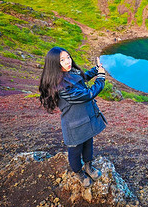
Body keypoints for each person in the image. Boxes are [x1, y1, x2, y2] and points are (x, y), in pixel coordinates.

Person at [39, 46, 107, 187]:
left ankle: (89, 166)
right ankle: (79, 173)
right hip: (74, 125)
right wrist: (100, 78)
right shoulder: (60, 86)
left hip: (86, 118)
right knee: (75, 151)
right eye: (62, 60)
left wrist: (95, 70)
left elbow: (81, 79)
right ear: (54, 64)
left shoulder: (71, 72)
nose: (67, 62)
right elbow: (87, 95)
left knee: (88, 144)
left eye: (68, 57)